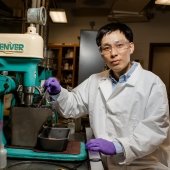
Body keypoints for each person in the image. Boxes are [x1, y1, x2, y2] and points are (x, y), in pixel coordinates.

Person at [44, 22, 170, 169]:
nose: (113, 53)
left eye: (119, 45)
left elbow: (155, 129)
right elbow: (73, 106)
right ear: (101, 53)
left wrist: (118, 146)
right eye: (106, 48)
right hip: (105, 163)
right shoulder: (95, 80)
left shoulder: (152, 83)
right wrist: (58, 92)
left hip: (143, 164)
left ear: (131, 47)